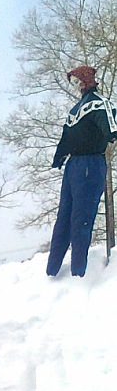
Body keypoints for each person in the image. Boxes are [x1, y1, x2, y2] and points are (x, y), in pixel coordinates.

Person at [46, 65, 117, 278]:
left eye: (77, 81)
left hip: (89, 163)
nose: (76, 86)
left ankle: (78, 273)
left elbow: (111, 127)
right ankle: (53, 271)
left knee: (80, 218)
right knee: (66, 217)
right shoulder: (76, 109)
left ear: (87, 80)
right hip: (75, 166)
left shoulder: (99, 103)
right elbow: (66, 138)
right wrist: (59, 157)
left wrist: (110, 135)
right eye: (73, 83)